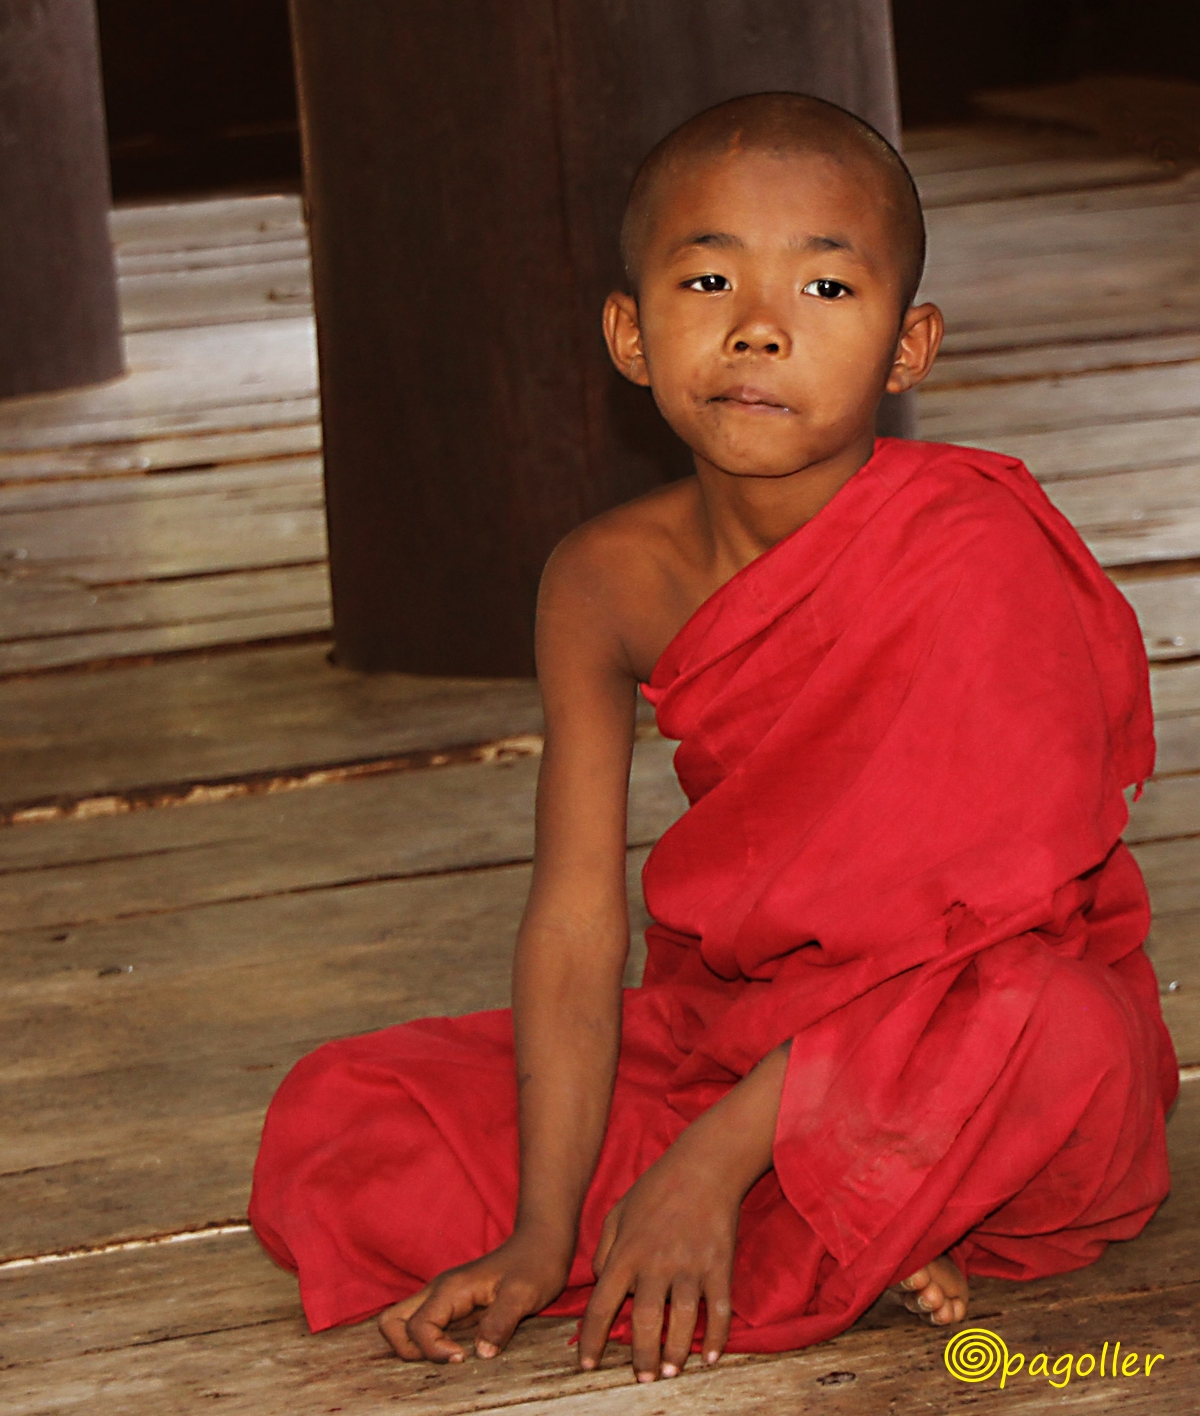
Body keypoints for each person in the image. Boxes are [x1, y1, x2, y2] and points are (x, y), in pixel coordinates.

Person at [249, 92, 1177, 1383]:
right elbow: (577, 922)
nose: (758, 326)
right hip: (742, 1028)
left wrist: (715, 1154)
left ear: (910, 348)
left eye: (827, 291)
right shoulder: (598, 580)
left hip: (967, 1024)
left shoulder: (974, 555)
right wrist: (539, 1228)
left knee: (1062, 1026)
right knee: (346, 1122)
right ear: (631, 333)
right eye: (707, 276)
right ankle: (859, 1217)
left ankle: (785, 1196)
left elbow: (997, 930)